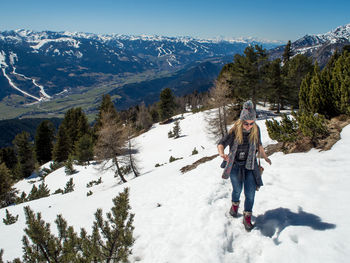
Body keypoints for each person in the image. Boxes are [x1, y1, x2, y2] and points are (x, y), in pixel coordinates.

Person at [217, 100, 271, 231]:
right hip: (235, 165)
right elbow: (221, 143)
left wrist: (264, 156)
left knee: (250, 193)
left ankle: (247, 216)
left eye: (251, 123)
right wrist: (222, 153)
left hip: (250, 166)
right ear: (241, 121)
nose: (248, 126)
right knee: (237, 190)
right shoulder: (235, 131)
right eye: (246, 123)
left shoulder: (256, 130)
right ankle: (235, 205)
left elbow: (259, 145)